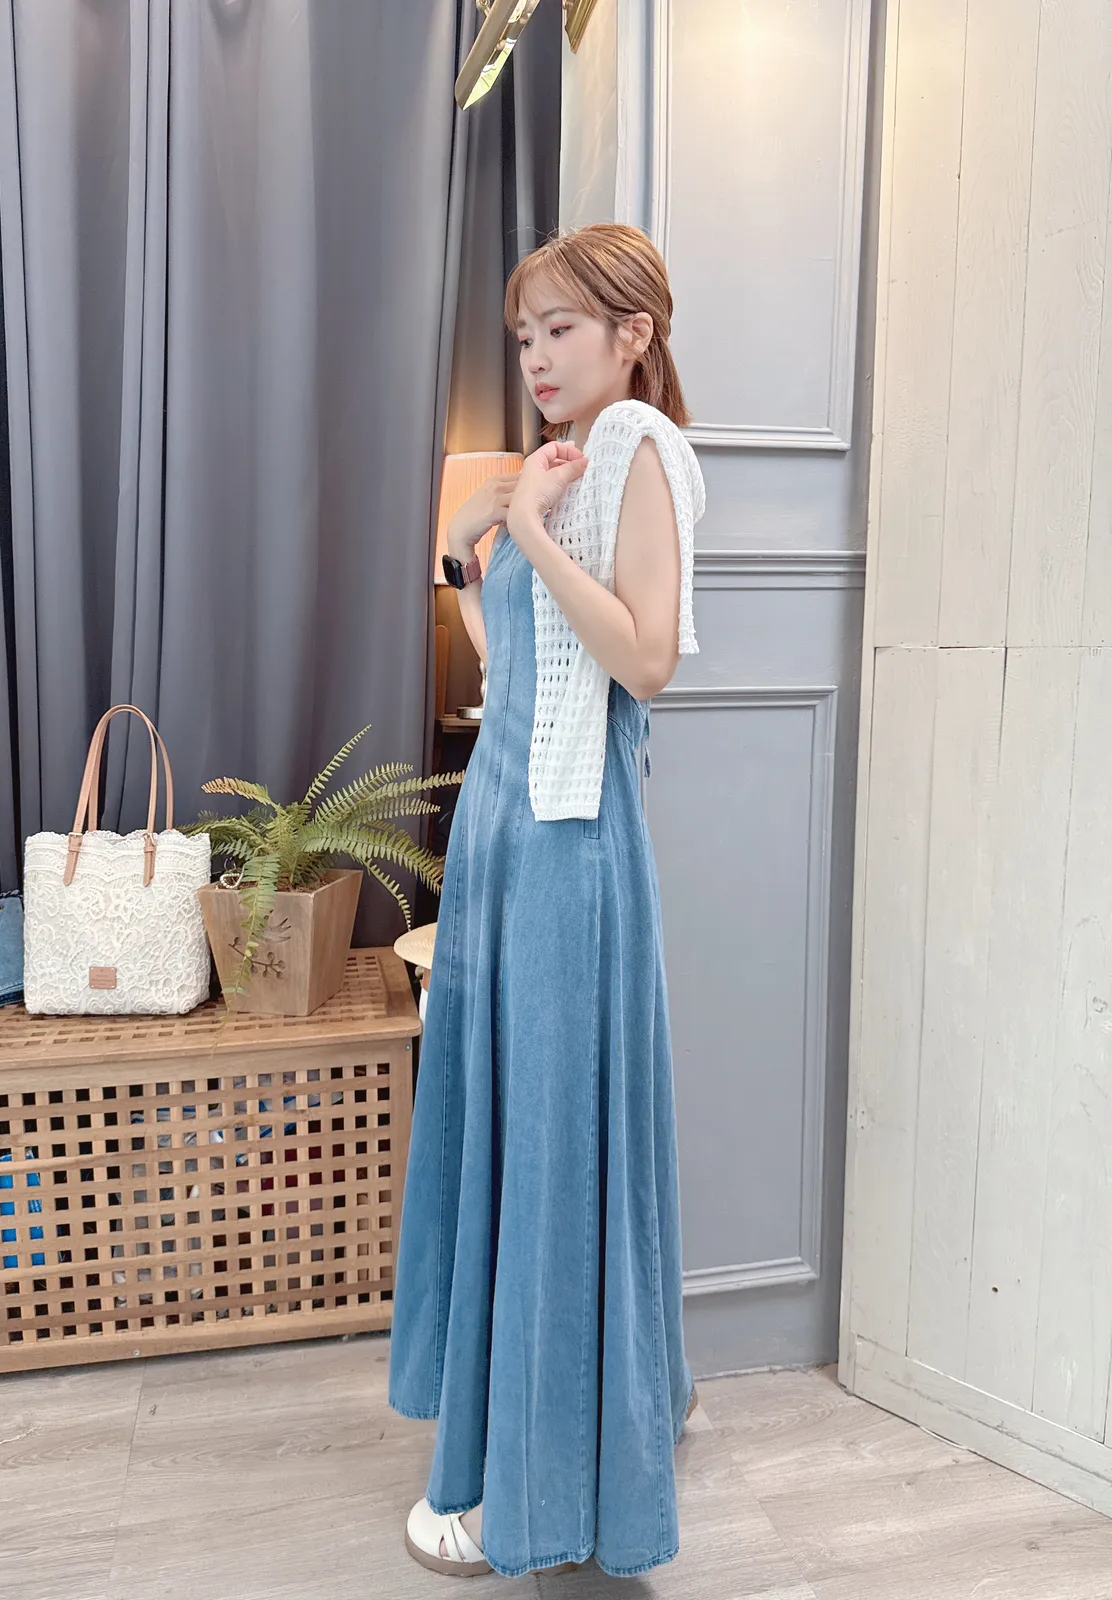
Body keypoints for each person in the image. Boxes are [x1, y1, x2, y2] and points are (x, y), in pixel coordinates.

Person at [387, 221, 705, 1580]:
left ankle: (540, 1492)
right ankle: (572, 1428)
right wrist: (471, 557)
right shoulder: (565, 460)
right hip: (507, 838)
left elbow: (645, 658)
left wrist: (521, 525)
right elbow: (512, 663)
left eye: (560, 329)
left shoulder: (639, 447)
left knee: (555, 1146)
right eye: (524, 335)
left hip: (571, 847)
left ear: (633, 333)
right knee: (517, 1134)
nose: (535, 356)